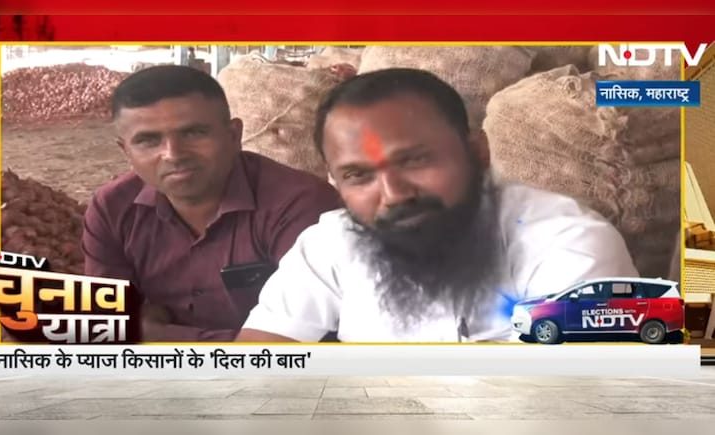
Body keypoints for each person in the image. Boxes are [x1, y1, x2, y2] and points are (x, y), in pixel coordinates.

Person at [236, 68, 640, 343]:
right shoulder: (331, 242)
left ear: (478, 152)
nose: (394, 194)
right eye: (358, 176)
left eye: (415, 161)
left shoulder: (568, 242)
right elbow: (259, 362)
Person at [82, 65, 341, 342]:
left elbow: (306, 344)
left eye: (193, 133)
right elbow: (105, 324)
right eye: (148, 140)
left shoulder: (300, 205)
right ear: (126, 151)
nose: (173, 154)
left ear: (233, 136)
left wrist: (157, 336)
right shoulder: (112, 209)